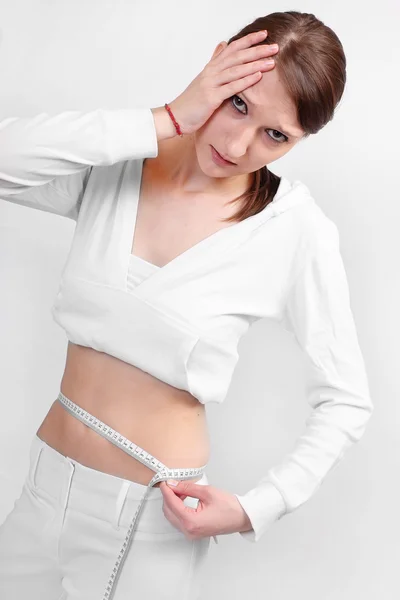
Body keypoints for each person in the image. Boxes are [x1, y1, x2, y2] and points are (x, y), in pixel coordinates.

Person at [0, 10, 373, 600]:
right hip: (40, 486)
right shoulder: (122, 163)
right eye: (238, 103)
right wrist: (168, 118)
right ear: (217, 64)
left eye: (276, 135)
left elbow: (347, 398)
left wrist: (257, 508)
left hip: (150, 521)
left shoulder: (294, 232)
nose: (236, 142)